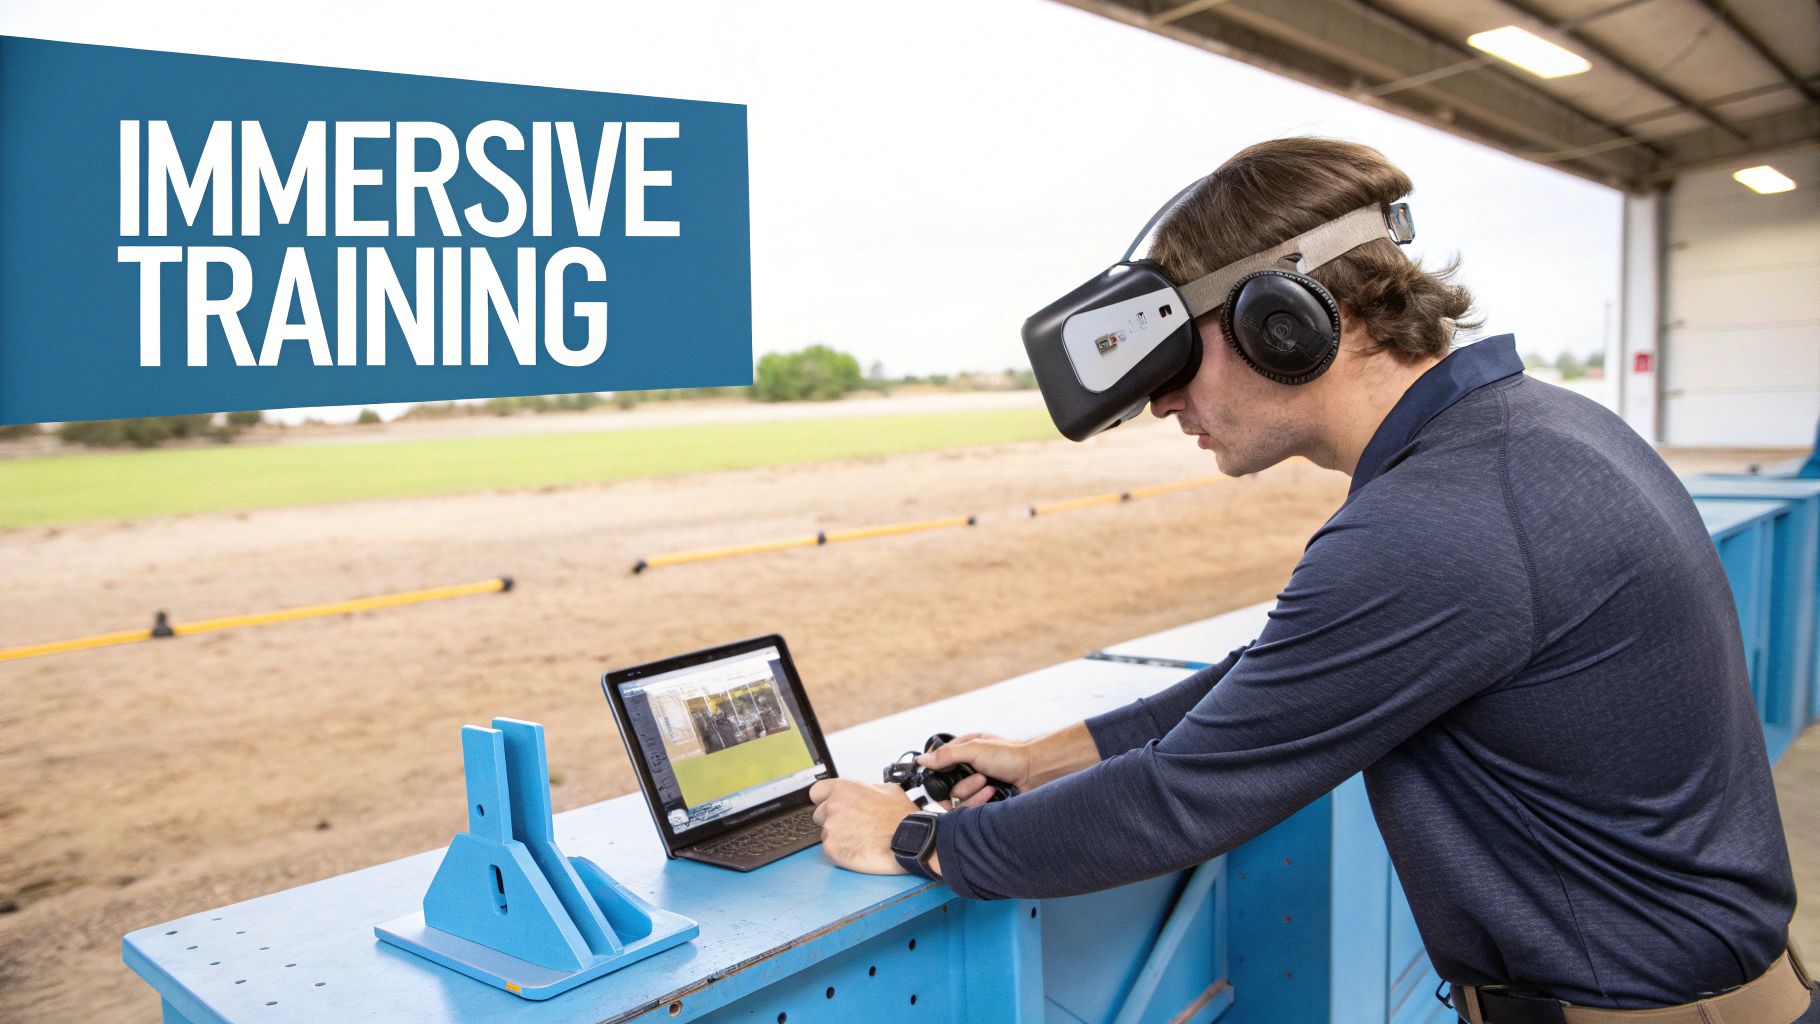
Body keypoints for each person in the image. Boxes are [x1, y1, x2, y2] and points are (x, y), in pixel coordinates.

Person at [808, 138, 1816, 1023]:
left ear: (1281, 319)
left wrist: (913, 841)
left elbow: (1181, 800)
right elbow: (1288, 670)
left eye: (1170, 357)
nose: (1158, 404)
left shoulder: (1435, 522)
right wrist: (1049, 753)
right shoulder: (1529, 434)